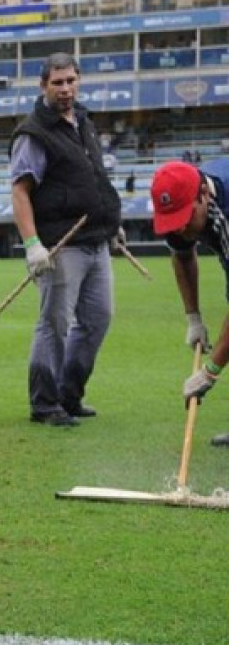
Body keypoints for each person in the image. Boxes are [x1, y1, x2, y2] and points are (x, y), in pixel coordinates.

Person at [9, 52, 122, 427]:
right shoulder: (34, 133)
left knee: (98, 319)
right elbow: (21, 192)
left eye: (71, 80)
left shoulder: (84, 122)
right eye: (57, 82)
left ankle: (69, 394)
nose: (65, 88)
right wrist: (31, 245)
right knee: (54, 323)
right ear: (43, 86)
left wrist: (111, 221)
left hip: (96, 240)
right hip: (61, 245)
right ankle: (44, 404)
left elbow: (94, 176)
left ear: (79, 81)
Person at [149, 158, 229, 446]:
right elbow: (182, 256)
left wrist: (211, 371)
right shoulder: (185, 194)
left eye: (185, 219)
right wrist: (193, 317)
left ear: (204, 196)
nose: (180, 230)